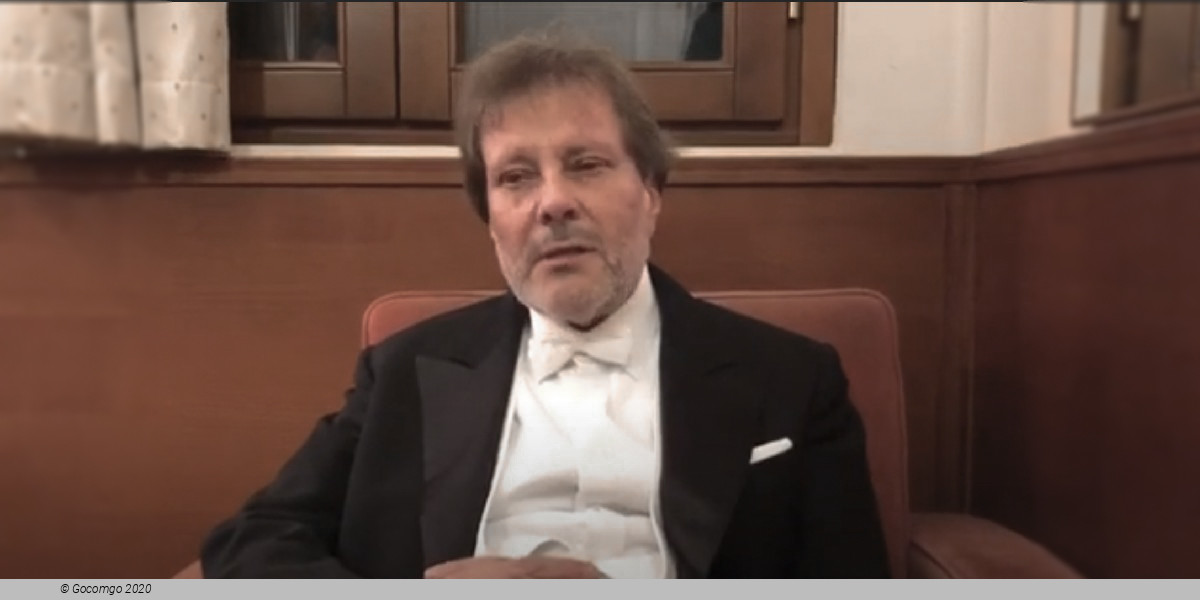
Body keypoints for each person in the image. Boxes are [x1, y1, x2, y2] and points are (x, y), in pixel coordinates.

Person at [200, 31, 889, 579]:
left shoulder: (794, 378)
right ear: (491, 220)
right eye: (516, 177)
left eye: (586, 164)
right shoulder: (403, 371)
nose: (553, 202)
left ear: (651, 192)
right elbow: (252, 541)